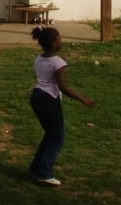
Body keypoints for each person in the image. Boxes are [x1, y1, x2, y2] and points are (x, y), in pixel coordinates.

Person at [28, 25, 94, 188]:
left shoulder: (39, 58)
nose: (61, 41)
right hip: (49, 99)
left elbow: (50, 65)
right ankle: (43, 173)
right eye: (59, 39)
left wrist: (60, 60)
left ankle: (36, 169)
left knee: (50, 134)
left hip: (36, 96)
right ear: (53, 43)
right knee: (57, 137)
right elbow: (62, 86)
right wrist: (82, 98)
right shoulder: (58, 62)